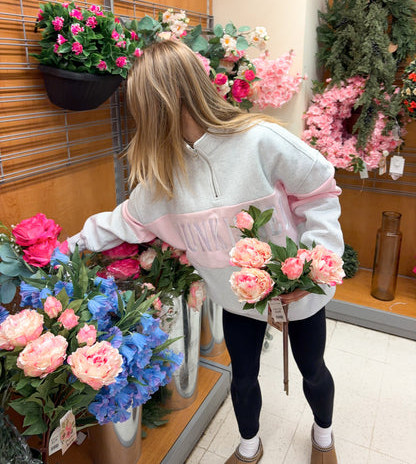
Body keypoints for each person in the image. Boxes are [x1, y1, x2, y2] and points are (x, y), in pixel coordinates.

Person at [68, 40, 343, 464]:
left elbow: (319, 190)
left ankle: (323, 436)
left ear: (170, 96)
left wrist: (313, 264)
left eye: (142, 104)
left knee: (313, 371)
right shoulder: (164, 173)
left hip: (299, 291)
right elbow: (120, 221)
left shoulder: (260, 140)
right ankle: (250, 446)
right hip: (235, 298)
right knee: (244, 376)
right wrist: (57, 249)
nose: (139, 116)